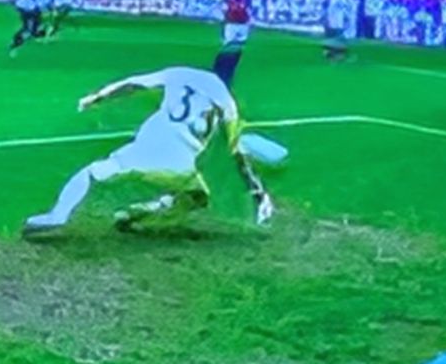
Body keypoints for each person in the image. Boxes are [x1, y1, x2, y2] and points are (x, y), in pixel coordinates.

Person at [22, 65, 274, 238]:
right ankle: (135, 214)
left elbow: (132, 84)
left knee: (92, 173)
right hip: (179, 168)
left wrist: (97, 97)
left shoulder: (179, 73)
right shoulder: (227, 104)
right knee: (197, 197)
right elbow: (236, 154)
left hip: (144, 150)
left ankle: (57, 215)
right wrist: (258, 193)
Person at [214, 0, 252, 86]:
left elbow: (247, 5)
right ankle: (224, 67)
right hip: (233, 23)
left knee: (238, 44)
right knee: (230, 44)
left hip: (241, 23)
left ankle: (230, 65)